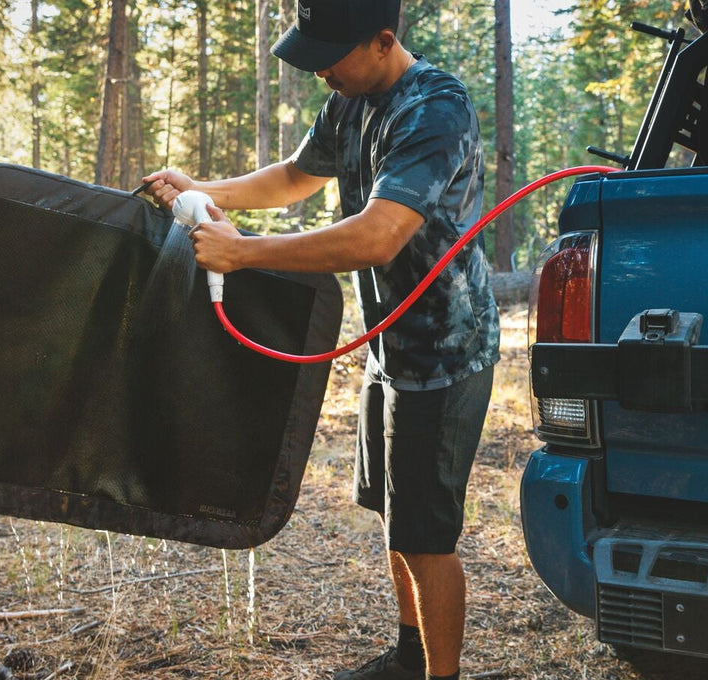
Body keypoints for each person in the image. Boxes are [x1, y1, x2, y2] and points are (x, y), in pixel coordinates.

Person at [141, 1, 498, 678]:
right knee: (395, 516)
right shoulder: (349, 99)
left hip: (443, 355)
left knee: (426, 538)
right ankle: (409, 659)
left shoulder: (434, 108)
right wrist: (204, 190)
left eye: (331, 56)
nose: (319, 72)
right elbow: (295, 178)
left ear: (383, 41)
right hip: (390, 349)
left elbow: (378, 235)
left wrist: (244, 253)